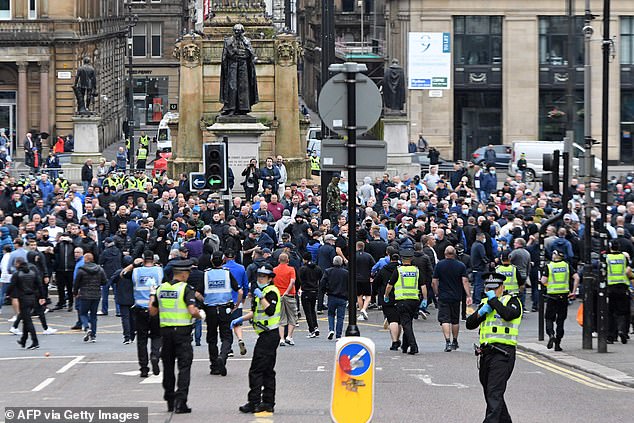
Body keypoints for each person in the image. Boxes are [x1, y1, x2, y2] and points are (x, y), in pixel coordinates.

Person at [149, 259, 205, 414]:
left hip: (166, 333)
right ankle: (181, 402)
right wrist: (201, 315)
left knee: (168, 367)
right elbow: (192, 310)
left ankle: (169, 400)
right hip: (182, 334)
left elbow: (152, 311)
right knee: (184, 367)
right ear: (184, 273)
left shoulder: (161, 289)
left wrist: (152, 295)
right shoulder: (186, 289)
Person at [466, 272, 522, 423]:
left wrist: (493, 301)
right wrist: (480, 313)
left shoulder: (513, 300)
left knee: (494, 392)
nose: (491, 290)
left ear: (502, 287)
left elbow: (508, 315)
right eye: (488, 288)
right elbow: (469, 324)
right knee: (490, 392)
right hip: (485, 354)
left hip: (503, 353)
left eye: (495, 288)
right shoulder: (486, 303)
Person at [233, 264, 281, 414]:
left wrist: (261, 297)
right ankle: (267, 402)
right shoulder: (262, 291)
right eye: (259, 276)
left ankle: (254, 402)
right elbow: (255, 313)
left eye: (263, 276)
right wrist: (240, 319)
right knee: (267, 370)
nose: (260, 279)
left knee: (256, 370)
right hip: (266, 335)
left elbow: (270, 310)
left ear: (270, 278)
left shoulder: (271, 292)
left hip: (269, 335)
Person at [203, 252, 242, 376]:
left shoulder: (206, 274)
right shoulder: (227, 273)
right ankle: (223, 356)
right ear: (223, 261)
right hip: (225, 308)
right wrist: (236, 305)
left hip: (211, 310)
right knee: (226, 337)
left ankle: (214, 365)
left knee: (212, 338)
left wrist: (205, 302)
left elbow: (198, 293)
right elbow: (240, 291)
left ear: (211, 261)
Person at [127, 250, 164, 376]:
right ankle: (155, 355)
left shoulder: (136, 272)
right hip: (155, 308)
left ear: (143, 259)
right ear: (153, 259)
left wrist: (133, 264)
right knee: (156, 335)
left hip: (140, 309)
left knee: (141, 340)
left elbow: (122, 274)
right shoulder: (159, 271)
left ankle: (143, 368)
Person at [384, 249, 427, 355]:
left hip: (402, 300)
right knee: (408, 322)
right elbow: (423, 286)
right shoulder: (416, 270)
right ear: (411, 259)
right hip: (414, 300)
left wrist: (386, 295)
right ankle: (405, 346)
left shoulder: (399, 270)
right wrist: (425, 299)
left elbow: (390, 285)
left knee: (406, 324)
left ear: (401, 259)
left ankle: (413, 346)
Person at [432, 246, 472, 352]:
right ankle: (455, 341)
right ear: (454, 254)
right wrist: (468, 295)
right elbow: (465, 281)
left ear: (445, 253)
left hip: (443, 296)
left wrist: (436, 293)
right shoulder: (460, 265)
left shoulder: (439, 265)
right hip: (456, 296)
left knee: (445, 320)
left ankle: (447, 342)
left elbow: (434, 281)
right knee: (455, 320)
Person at [541, 249, 579, 351]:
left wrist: (548, 286)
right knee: (560, 321)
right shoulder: (566, 266)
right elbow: (577, 278)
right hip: (564, 296)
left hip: (552, 296)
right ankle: (558, 344)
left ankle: (551, 334)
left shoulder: (549, 266)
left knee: (549, 318)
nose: (552, 255)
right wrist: (573, 291)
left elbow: (543, 280)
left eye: (553, 253)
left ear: (556, 256)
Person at [220, 23, 259, 115]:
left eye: (239, 31)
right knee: (232, 86)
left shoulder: (247, 41)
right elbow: (226, 54)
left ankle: (243, 108)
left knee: (243, 86)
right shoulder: (228, 41)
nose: (237, 33)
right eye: (236, 31)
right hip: (232, 64)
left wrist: (247, 55)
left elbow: (251, 53)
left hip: (243, 65)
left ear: (242, 32)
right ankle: (231, 107)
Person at [9, 257, 45, 350]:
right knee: (26, 319)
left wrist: (8, 294)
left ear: (18, 264)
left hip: (23, 298)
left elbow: (12, 286)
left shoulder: (17, 274)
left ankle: (35, 341)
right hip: (32, 297)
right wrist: (42, 296)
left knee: (28, 321)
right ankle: (23, 340)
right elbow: (39, 284)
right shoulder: (32, 273)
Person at [73, 252, 108, 343]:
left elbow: (76, 283)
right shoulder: (100, 269)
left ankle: (87, 327)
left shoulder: (81, 270)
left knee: (83, 313)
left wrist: (75, 292)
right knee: (93, 315)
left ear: (85, 259)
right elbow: (104, 282)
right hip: (96, 295)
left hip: (84, 294)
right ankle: (93, 336)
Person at [605, 244, 634, 344]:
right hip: (623, 287)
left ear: (610, 248)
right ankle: (622, 331)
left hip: (611, 287)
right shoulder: (623, 257)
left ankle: (611, 336)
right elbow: (628, 272)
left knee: (611, 313)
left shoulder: (607, 258)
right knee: (623, 312)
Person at [373, 250, 402, 350]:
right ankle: (398, 339)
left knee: (392, 320)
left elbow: (376, 282)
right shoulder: (401, 269)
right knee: (399, 321)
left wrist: (377, 292)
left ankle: (394, 341)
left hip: (387, 297)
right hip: (400, 296)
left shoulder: (384, 270)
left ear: (390, 259)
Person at [322, 256, 349, 340]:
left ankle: (331, 329)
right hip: (343, 297)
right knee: (340, 317)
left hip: (331, 296)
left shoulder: (328, 271)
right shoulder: (346, 273)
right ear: (341, 263)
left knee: (331, 314)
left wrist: (325, 290)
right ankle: (338, 335)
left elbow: (323, 282)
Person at [273, 252, 297, 346]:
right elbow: (292, 282)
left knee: (281, 318)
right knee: (292, 317)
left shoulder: (274, 270)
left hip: (279, 295)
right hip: (289, 295)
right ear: (288, 260)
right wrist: (287, 291)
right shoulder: (291, 269)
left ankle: (281, 339)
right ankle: (289, 336)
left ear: (279, 260)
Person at [299, 252, 322, 337]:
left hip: (306, 291)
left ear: (304, 259)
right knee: (312, 310)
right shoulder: (317, 268)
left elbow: (300, 279)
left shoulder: (303, 269)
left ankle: (311, 330)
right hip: (314, 291)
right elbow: (321, 278)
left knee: (307, 312)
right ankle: (315, 327)